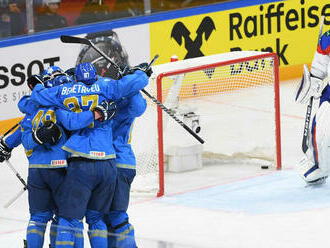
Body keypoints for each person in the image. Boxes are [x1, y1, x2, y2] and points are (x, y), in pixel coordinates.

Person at [29, 62, 149, 247]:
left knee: (69, 220)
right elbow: (138, 104)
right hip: (114, 161)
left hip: (81, 161)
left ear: (76, 78)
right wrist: (138, 75)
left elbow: (39, 101)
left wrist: (38, 84)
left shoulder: (65, 91)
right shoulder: (110, 90)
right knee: (107, 218)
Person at [105, 89, 147, 248]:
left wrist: (133, 86)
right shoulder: (120, 100)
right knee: (105, 217)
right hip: (106, 163)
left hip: (119, 163)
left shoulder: (125, 103)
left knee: (116, 215)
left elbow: (139, 108)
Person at [296, 29, 330, 185]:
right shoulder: (328, 38)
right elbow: (319, 68)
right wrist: (313, 82)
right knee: (320, 128)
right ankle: (319, 166)